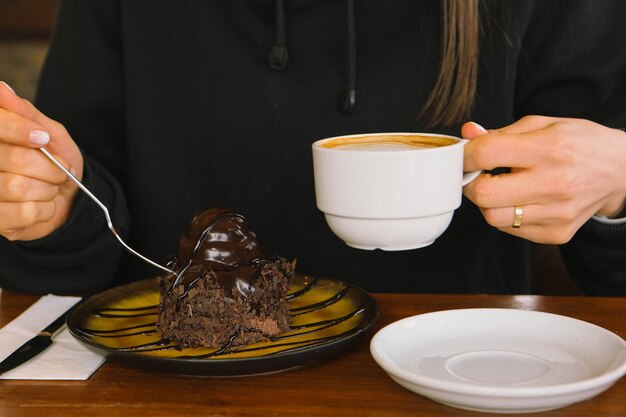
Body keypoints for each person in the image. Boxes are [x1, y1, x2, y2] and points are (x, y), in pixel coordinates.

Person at [0, 0, 624, 296]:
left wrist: (617, 187)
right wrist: (50, 211)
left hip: (457, 366)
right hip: (172, 375)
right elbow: (82, 225)